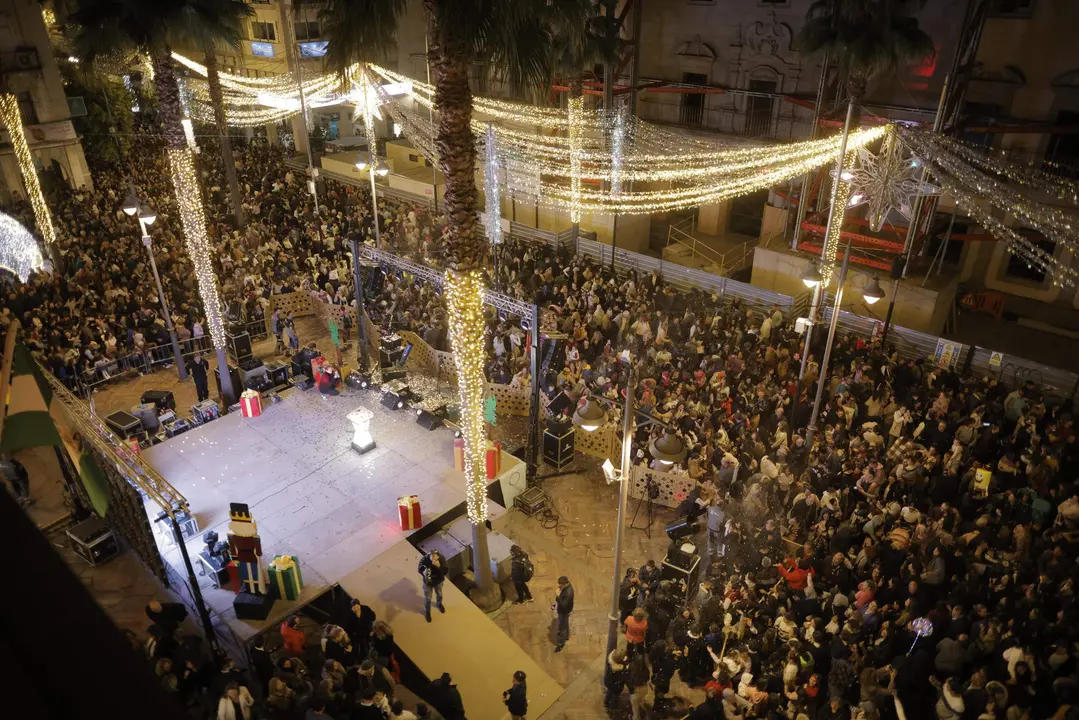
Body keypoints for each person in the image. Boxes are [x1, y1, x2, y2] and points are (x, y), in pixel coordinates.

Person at [418, 550, 446, 622]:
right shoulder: (424, 559)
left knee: (439, 594)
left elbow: (446, 571)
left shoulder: (442, 559)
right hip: (428, 583)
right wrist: (424, 571)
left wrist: (439, 566)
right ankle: (427, 612)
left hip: (438, 581)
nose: (433, 559)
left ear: (438, 556)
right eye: (432, 556)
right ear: (429, 555)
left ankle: (439, 604)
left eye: (435, 557)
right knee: (428, 598)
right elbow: (419, 569)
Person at [554, 575, 574, 652]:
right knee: (565, 624)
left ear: (565, 584)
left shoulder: (568, 593)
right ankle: (566, 636)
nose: (559, 586)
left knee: (562, 627)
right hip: (566, 610)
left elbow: (563, 605)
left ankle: (561, 643)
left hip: (564, 611)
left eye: (560, 585)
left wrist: (558, 596)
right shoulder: (567, 587)